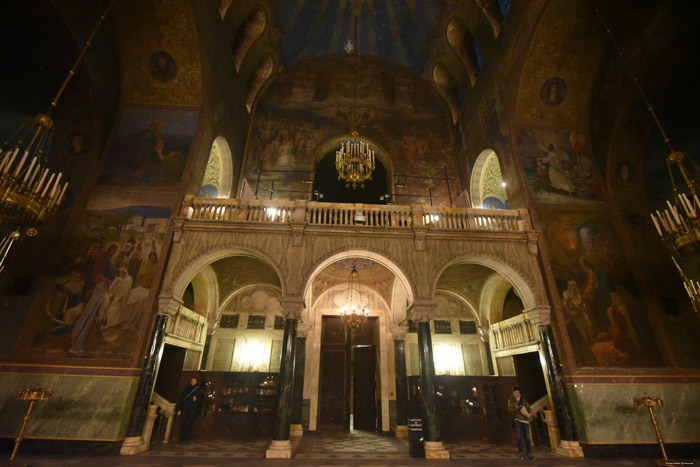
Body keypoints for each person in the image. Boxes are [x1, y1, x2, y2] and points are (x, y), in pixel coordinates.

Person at [508, 386, 535, 460]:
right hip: (517, 420)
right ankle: (521, 452)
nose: (517, 394)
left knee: (527, 437)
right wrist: (515, 408)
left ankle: (529, 452)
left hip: (525, 420)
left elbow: (529, 408)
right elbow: (510, 409)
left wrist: (524, 407)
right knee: (519, 437)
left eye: (518, 392)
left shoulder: (524, 400)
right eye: (516, 392)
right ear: (513, 393)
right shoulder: (511, 400)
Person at [177, 377, 203, 443]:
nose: (193, 382)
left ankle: (186, 438)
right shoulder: (186, 389)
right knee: (183, 422)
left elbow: (200, 400)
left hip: (192, 408)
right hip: (185, 407)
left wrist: (195, 399)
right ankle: (181, 438)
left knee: (189, 423)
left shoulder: (198, 390)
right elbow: (182, 399)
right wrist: (179, 409)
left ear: (196, 382)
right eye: (192, 380)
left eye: (194, 381)